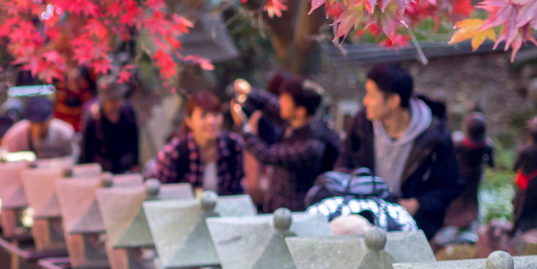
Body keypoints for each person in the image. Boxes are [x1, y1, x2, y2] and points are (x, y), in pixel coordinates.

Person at [335, 62, 463, 240]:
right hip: (364, 215)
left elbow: (451, 185)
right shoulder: (362, 123)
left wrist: (417, 204)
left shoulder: (435, 138)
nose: (365, 101)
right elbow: (344, 161)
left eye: (371, 96)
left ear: (394, 101)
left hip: (412, 227)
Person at [239, 76, 341, 212]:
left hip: (295, 212)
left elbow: (267, 154)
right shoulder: (296, 121)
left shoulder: (310, 146)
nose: (281, 103)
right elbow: (270, 104)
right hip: (275, 204)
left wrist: (244, 128)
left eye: (286, 101)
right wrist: (249, 92)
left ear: (301, 111)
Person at [153, 90, 245, 195]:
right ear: (189, 121)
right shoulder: (174, 151)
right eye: (203, 116)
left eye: (215, 114)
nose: (211, 121)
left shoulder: (234, 145)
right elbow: (163, 196)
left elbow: (238, 191)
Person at [443, 112, 495, 230]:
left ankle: (455, 220)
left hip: (461, 173)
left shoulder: (460, 144)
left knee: (458, 197)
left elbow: (451, 157)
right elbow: (491, 163)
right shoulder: (487, 146)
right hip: (476, 174)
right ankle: (469, 219)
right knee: (471, 197)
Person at [80, 76, 139, 174]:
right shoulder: (93, 119)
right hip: (102, 170)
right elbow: (86, 149)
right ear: (103, 100)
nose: (117, 104)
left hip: (125, 167)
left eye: (119, 99)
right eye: (112, 100)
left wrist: (135, 164)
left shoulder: (128, 113)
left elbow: (134, 140)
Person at [1, 96, 76, 159]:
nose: (38, 129)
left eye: (42, 123)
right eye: (34, 123)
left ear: (51, 118)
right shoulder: (15, 136)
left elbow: (72, 160)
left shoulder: (64, 133)